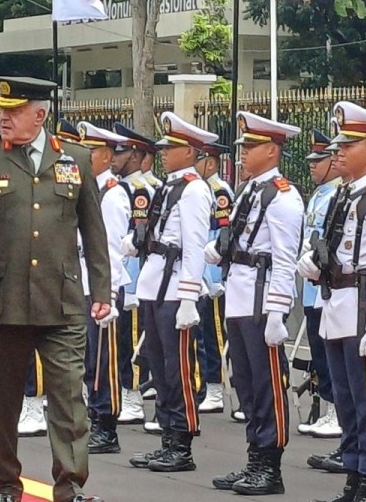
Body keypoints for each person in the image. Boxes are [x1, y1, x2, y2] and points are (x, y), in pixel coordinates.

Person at [0, 76, 111, 502]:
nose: (2, 117)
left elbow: (94, 231)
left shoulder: (74, 159)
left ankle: (71, 486)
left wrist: (102, 290)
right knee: (2, 403)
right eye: (1, 110)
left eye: (13, 110)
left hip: (61, 299)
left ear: (39, 114)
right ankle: (6, 484)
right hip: (2, 301)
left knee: (69, 400)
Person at [298, 102, 366, 502]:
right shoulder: (343, 195)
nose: (338, 152)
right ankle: (353, 474)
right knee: (343, 398)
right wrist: (315, 264)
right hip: (336, 305)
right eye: (338, 144)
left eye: (349, 144)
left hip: (362, 310)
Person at [206, 111, 303, 496]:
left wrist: (278, 311)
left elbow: (283, 258)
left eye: (250, 147)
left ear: (271, 149)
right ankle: (254, 458)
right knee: (246, 385)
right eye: (242, 146)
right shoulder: (248, 190)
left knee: (268, 387)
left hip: (263, 300)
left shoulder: (282, 196)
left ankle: (270, 466)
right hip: (241, 295)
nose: (242, 154)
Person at [125, 112, 215, 473]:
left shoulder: (194, 190)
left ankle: (182, 442)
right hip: (156, 283)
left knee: (178, 369)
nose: (162, 153)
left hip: (176, 289)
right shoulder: (170, 186)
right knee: (160, 370)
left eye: (171, 147)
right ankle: (166, 438)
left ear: (191, 152)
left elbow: (194, 247)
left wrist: (189, 298)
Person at [76, 122, 131, 455]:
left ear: (107, 156)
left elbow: (110, 250)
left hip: (102, 290)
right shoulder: (89, 188)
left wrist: (106, 297)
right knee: (88, 359)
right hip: (83, 283)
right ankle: (93, 417)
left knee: (104, 361)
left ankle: (106, 425)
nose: (83, 158)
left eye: (90, 152)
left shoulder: (112, 193)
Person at [110, 122, 157, 426]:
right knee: (119, 340)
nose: (115, 157)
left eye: (121, 152)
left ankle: (134, 395)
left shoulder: (140, 191)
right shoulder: (118, 188)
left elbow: (137, 237)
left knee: (133, 340)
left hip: (136, 276)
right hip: (119, 276)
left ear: (136, 155)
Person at [296, 129, 342, 438]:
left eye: (320, 160)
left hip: (326, 289)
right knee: (320, 353)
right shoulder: (319, 193)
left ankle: (336, 411)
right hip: (311, 288)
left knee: (331, 355)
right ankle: (327, 407)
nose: (313, 165)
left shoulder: (338, 195)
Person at [194, 142, 233, 414]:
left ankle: (216, 388)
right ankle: (209, 384)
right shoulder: (199, 190)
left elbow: (222, 237)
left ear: (210, 162)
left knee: (215, 334)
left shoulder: (220, 192)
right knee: (204, 334)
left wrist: (213, 276)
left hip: (214, 274)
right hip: (201, 272)